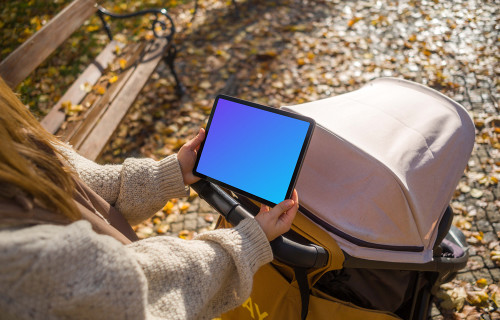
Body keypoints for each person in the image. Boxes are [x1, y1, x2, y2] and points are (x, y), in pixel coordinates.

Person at [0, 76, 299, 320]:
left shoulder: (12, 140)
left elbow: (78, 182)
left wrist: (168, 174)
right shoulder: (19, 264)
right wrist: (249, 240)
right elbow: (150, 290)